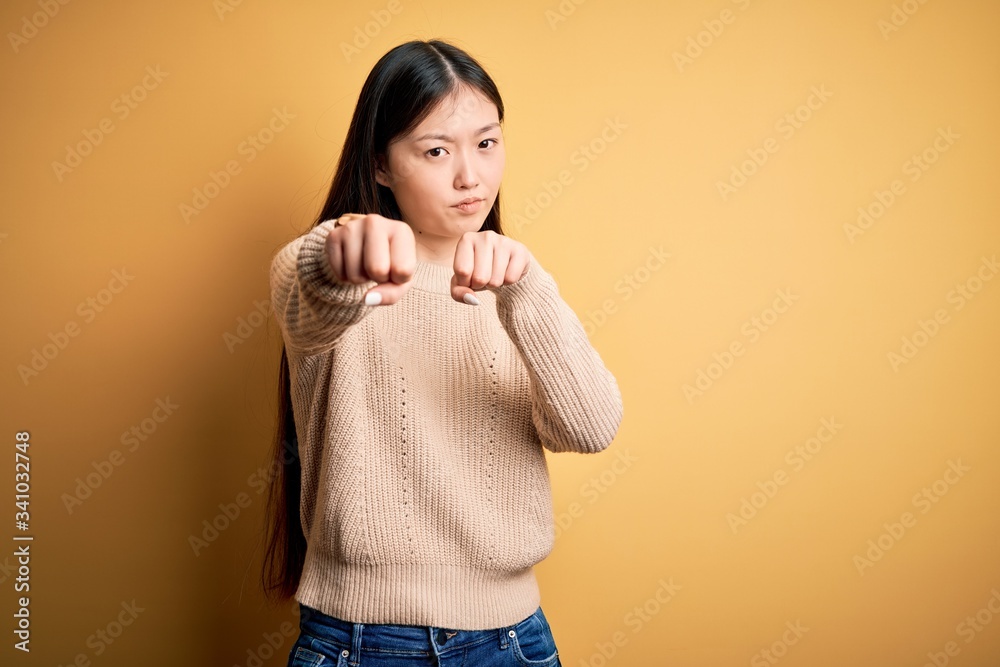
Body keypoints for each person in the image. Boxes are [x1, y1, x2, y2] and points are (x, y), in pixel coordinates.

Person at [261, 38, 623, 666]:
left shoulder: (516, 287)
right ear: (380, 165)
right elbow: (312, 283)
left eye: (487, 142)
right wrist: (348, 252)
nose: (471, 177)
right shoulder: (325, 266)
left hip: (513, 639)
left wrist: (527, 292)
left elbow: (591, 428)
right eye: (435, 151)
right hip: (363, 643)